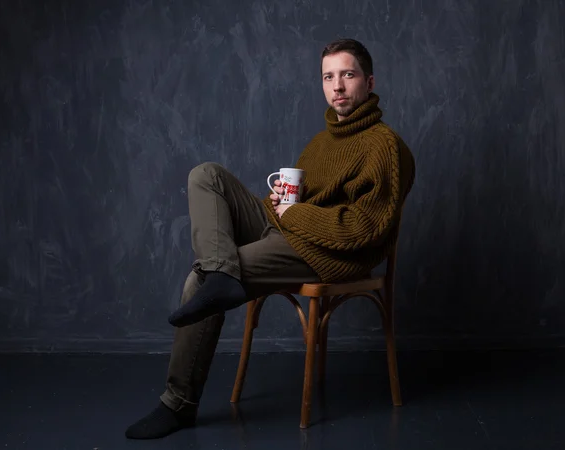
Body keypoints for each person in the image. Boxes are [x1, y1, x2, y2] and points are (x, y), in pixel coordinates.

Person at [125, 38, 415, 439]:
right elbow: (293, 206)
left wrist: (293, 212)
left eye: (347, 75)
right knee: (206, 174)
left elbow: (362, 229)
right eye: (328, 77)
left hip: (328, 252)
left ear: (368, 80)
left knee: (199, 283)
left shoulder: (385, 147)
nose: (338, 87)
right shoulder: (321, 142)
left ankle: (178, 405)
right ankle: (220, 271)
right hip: (291, 231)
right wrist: (277, 201)